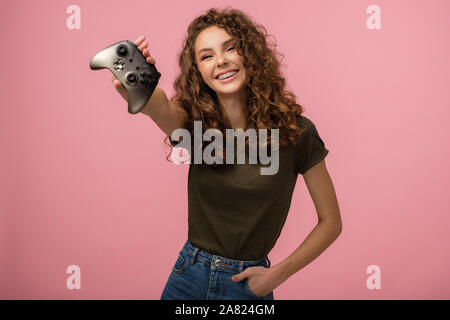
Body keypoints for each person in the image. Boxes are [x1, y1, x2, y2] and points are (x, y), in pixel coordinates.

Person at [111, 7, 342, 300]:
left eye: (230, 48)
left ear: (250, 55)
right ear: (199, 72)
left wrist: (275, 275)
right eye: (206, 56)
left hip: (247, 286)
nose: (220, 61)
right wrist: (138, 82)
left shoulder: (297, 132)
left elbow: (331, 222)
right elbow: (157, 106)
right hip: (187, 278)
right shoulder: (194, 124)